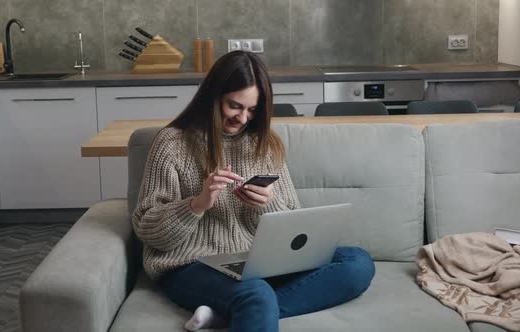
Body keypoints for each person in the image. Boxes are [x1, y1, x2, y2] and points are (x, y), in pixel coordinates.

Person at [131, 50, 375, 332]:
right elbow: (148, 231)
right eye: (234, 106)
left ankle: (226, 314)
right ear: (213, 96)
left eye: (253, 110)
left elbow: (295, 224)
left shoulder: (265, 144)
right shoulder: (172, 143)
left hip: (256, 262)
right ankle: (247, 307)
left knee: (358, 263)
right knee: (255, 294)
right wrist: (197, 204)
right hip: (191, 264)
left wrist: (267, 204)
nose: (243, 118)